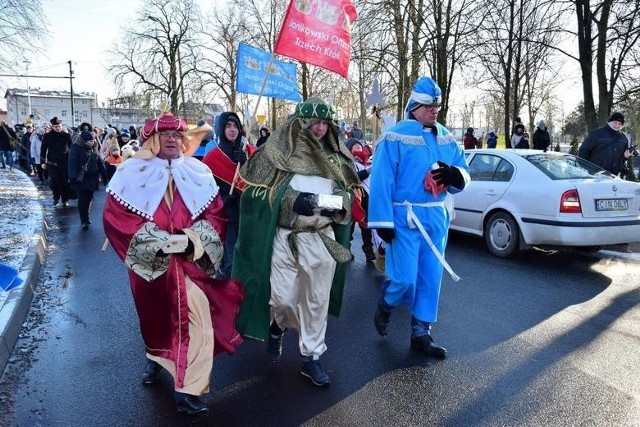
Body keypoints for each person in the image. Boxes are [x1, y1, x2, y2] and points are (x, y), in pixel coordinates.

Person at [102, 111, 244, 415]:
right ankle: (155, 356)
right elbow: (117, 218)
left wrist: (192, 240)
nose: (171, 140)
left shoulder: (198, 173)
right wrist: (157, 243)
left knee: (198, 320)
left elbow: (215, 214)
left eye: (177, 135)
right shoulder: (131, 174)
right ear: (151, 141)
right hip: (153, 269)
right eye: (164, 136)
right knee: (156, 321)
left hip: (190, 265)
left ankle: (190, 389)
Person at [233, 97, 361, 386]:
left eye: (325, 123)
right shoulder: (275, 154)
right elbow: (254, 198)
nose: (319, 128)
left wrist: (336, 205)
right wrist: (292, 202)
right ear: (299, 123)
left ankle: (311, 357)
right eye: (314, 122)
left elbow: (349, 197)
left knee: (316, 302)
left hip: (321, 238)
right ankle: (277, 327)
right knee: (283, 299)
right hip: (286, 238)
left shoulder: (336, 158)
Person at [368, 76, 470, 359]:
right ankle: (386, 304)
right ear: (414, 106)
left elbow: (464, 170)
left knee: (430, 277)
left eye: (436, 105)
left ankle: (421, 333)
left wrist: (456, 175)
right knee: (405, 278)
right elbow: (381, 182)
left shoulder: (446, 138)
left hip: (436, 217)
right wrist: (382, 222)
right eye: (427, 105)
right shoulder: (394, 137)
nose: (433, 110)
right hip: (405, 217)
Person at [201, 112, 255, 279]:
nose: (232, 130)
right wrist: (223, 198)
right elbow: (205, 191)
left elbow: (261, 183)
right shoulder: (212, 157)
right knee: (230, 262)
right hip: (226, 218)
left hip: (249, 216)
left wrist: (247, 164)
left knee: (250, 261)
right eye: (228, 126)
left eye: (236, 126)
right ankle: (226, 299)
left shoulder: (250, 152)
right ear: (221, 128)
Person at [68, 131, 108, 230]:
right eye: (90, 140)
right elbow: (72, 164)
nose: (93, 142)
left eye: (93, 139)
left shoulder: (94, 148)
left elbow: (99, 162)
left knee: (89, 199)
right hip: (80, 179)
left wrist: (105, 177)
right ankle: (84, 220)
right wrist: (72, 178)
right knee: (82, 200)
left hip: (92, 179)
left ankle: (86, 216)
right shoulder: (75, 148)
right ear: (84, 141)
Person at [40, 117, 73, 207]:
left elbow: (72, 148)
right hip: (52, 162)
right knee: (55, 181)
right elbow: (43, 149)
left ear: (61, 126)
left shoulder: (67, 135)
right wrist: (42, 162)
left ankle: (65, 199)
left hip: (65, 162)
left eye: (59, 126)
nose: (58, 128)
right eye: (56, 127)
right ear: (52, 127)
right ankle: (56, 198)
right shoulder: (47, 136)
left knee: (65, 181)